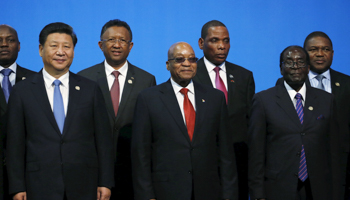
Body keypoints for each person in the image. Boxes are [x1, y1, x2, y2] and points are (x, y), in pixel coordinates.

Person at [6, 22, 114, 200]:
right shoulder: (22, 91)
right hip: (38, 184)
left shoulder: (90, 89)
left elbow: (103, 140)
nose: (61, 52)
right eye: (54, 46)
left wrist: (105, 182)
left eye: (67, 46)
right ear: (41, 49)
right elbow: (15, 144)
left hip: (84, 183)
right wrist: (17, 186)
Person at [131, 42, 238, 200]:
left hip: (208, 191)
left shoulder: (215, 98)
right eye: (180, 59)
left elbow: (225, 152)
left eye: (192, 59)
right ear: (168, 65)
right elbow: (141, 154)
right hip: (165, 191)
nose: (187, 64)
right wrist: (146, 195)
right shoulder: (149, 99)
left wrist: (229, 194)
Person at [78, 19, 156, 199]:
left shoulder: (147, 80)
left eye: (123, 40)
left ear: (131, 46)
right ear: (100, 45)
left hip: (132, 169)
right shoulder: (84, 78)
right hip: (94, 169)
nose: (117, 44)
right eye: (111, 40)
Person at [249, 45, 341, 200]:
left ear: (308, 68)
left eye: (300, 62)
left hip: (319, 188)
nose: (296, 67)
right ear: (281, 68)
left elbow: (333, 151)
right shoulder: (264, 100)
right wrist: (257, 194)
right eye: (290, 62)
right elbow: (256, 153)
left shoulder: (326, 100)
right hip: (278, 188)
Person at [276, 32, 350, 198]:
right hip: (301, 167)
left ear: (332, 53)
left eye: (326, 49)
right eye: (313, 49)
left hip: (339, 165)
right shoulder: (286, 82)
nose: (319, 53)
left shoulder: (347, 84)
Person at [192, 20, 254, 200]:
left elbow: (250, 122)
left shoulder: (244, 76)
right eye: (215, 40)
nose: (222, 46)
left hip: (238, 165)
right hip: (202, 164)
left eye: (226, 41)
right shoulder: (190, 74)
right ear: (201, 43)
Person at [0, 24, 35, 200]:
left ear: (19, 46)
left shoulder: (37, 81)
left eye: (10, 40)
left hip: (29, 176)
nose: (4, 44)